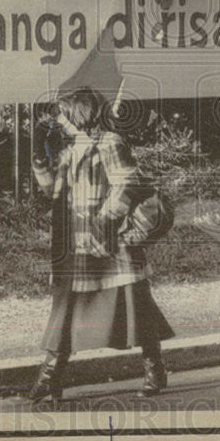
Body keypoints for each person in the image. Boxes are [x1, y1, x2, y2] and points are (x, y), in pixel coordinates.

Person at [28, 87, 175, 405]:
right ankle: (50, 379)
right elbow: (53, 190)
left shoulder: (110, 142)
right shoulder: (73, 149)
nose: (59, 121)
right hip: (76, 245)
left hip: (111, 243)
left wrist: (103, 224)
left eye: (63, 115)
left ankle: (155, 370)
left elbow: (127, 185)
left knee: (137, 307)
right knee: (65, 310)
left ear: (78, 113)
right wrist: (40, 157)